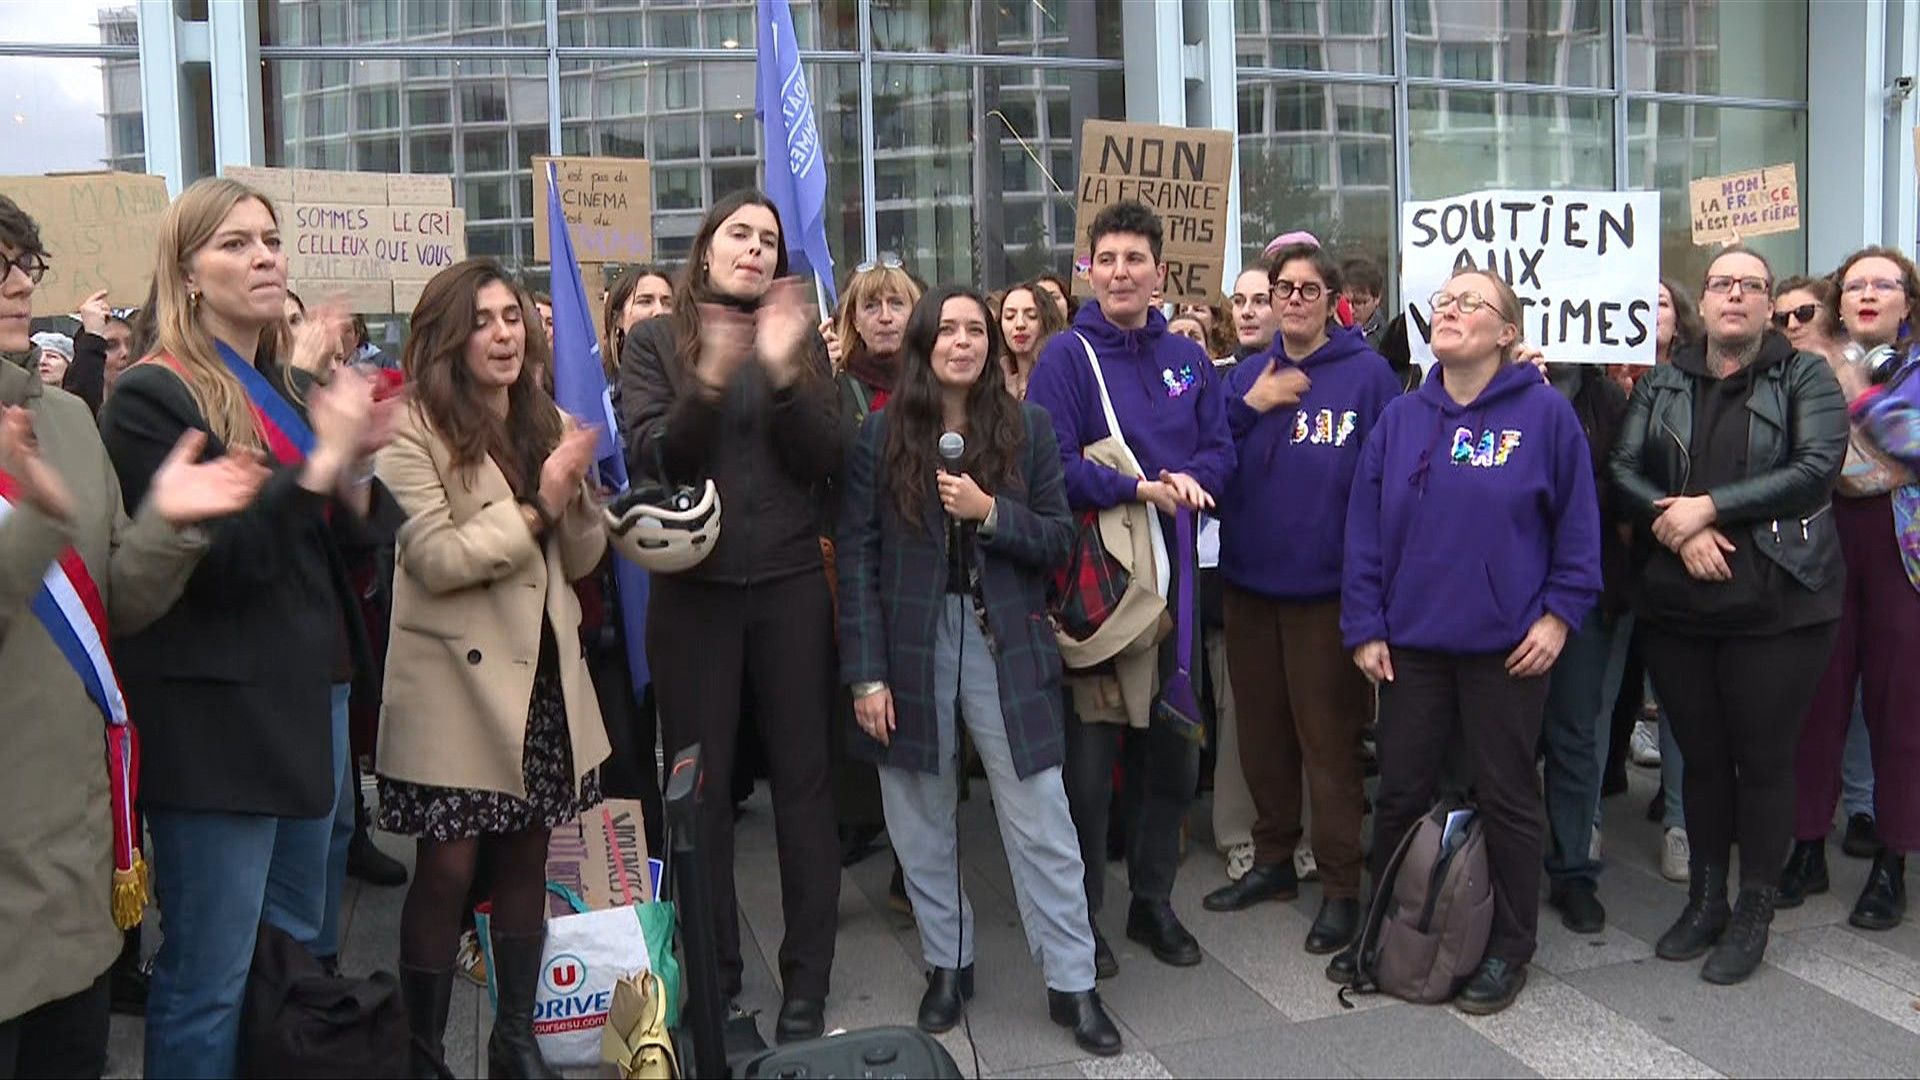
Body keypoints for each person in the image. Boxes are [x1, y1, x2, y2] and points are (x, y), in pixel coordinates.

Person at [97, 176, 391, 1078]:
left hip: (303, 711)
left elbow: (358, 549)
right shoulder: (154, 398)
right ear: (186, 273)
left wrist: (354, 470)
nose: (264, 256)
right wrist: (318, 468)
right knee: (211, 979)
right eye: (235, 243)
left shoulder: (274, 387)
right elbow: (214, 568)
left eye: (270, 239)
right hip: (215, 733)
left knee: (288, 964)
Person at [0, 194, 268, 1080]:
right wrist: (36, 522)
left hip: (69, 844)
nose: (12, 284)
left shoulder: (68, 421)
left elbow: (116, 603)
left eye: (22, 263)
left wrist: (168, 524)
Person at [836, 284, 1121, 1055]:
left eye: (977, 330)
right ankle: (946, 961)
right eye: (948, 329)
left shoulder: (1027, 428)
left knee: (1041, 815)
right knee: (919, 816)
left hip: (1006, 641)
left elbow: (1060, 540)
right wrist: (867, 675)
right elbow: (858, 555)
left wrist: (990, 513)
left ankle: (1073, 982)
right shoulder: (880, 433)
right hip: (909, 642)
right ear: (925, 343)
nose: (963, 342)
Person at [1336, 267, 1601, 1014]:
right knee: (1399, 795)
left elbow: (1578, 533)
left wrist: (1558, 618)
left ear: (1507, 331)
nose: (1448, 310)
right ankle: (1385, 934)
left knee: (1509, 797)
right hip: (1411, 645)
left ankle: (1510, 948)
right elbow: (1362, 530)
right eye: (1443, 301)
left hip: (1507, 649)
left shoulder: (1546, 417)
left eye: (1469, 302)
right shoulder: (1400, 418)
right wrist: (1365, 625)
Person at [372, 259, 609, 1079]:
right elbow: (434, 557)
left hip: (539, 674)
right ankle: (423, 1054)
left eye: (513, 316)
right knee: (447, 866)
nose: (505, 333)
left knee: (529, 857)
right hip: (456, 685)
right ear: (448, 335)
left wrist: (575, 496)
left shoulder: (542, 415)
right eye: (483, 320)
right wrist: (539, 501)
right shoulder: (409, 428)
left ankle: (515, 1041)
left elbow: (579, 560)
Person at [618, 190, 845, 1042]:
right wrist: (711, 374)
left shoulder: (797, 338)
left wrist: (786, 371)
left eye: (769, 241)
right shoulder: (655, 341)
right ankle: (711, 973)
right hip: (693, 596)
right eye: (739, 235)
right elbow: (653, 452)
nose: (755, 249)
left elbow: (831, 457)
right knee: (697, 795)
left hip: (788, 583)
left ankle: (807, 982)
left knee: (804, 785)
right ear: (705, 249)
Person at [1609, 245, 1846, 986]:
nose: (1733, 296)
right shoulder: (1667, 379)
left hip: (1781, 600)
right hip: (1681, 602)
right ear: (1702, 303)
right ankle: (1707, 900)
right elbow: (1621, 467)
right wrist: (1677, 528)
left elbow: (1815, 467)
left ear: (1768, 303)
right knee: (1702, 759)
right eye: (1720, 284)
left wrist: (1709, 509)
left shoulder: (1804, 374)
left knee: (1764, 761)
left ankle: (1754, 912)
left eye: (1750, 285)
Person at [1026, 200, 1235, 976]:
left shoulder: (1185, 357)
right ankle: (1083, 920)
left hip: (1179, 581)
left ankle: (1153, 902)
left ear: (1158, 272)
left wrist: (1193, 478)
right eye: (1106, 259)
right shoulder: (1065, 358)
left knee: (1175, 759)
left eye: (1134, 259)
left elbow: (1221, 450)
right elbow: (1046, 466)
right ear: (1090, 270)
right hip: (1107, 588)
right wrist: (1136, 488)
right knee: (1090, 770)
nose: (1120, 272)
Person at [1202, 244, 1399, 960]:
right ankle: (1274, 861)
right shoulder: (1246, 375)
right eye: (1281, 288)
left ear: (1332, 299)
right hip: (1250, 585)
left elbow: (1387, 483)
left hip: (1326, 595)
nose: (1291, 300)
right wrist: (1250, 407)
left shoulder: (1369, 377)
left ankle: (1344, 890)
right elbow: (1206, 460)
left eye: (1307, 289)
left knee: (1329, 747)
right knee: (1262, 738)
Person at [1778, 247, 1920, 930]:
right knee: (1817, 696)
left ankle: (1892, 862)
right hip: (1826, 535)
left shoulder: (1909, 369)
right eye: (1854, 285)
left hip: (1899, 549)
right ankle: (1807, 846)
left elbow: (1911, 439)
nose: (1866, 294)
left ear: (1907, 303)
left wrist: (1856, 386)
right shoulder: (1808, 363)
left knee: (1899, 710)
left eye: (1882, 284)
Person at [1767, 276, 1880, 866]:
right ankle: (1806, 823)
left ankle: (1862, 806)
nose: (1789, 326)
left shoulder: (1863, 365)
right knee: (1817, 685)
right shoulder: (1773, 375)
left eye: (1801, 313)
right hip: (1801, 539)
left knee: (1866, 688)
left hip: (1870, 531)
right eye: (1778, 318)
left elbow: (1883, 450)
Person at [822, 259, 922, 894]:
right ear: (853, 319)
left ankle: (912, 864)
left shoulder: (936, 382)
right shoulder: (834, 388)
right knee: (858, 701)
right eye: (872, 307)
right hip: (855, 565)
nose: (885, 317)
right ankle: (859, 820)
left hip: (919, 566)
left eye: (896, 305)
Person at [1537, 354, 1629, 934]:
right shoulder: (1487, 388)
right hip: (1498, 596)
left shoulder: (1607, 400)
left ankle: (1573, 870)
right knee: (1497, 738)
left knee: (1574, 732)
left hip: (1581, 593)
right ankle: (1490, 860)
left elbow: (1624, 486)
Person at [997, 279, 1067, 400]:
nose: (1020, 324)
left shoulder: (1061, 376)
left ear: (1047, 321)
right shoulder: (995, 380)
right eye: (1010, 317)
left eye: (1031, 316)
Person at [1227, 263, 1278, 360]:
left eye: (1260, 301)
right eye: (1238, 301)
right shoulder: (1212, 373)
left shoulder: (1305, 372)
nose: (1246, 312)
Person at [1340, 255, 1388, 352]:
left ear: (1377, 298)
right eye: (1345, 302)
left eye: (1358, 302)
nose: (1350, 310)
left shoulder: (1389, 340)